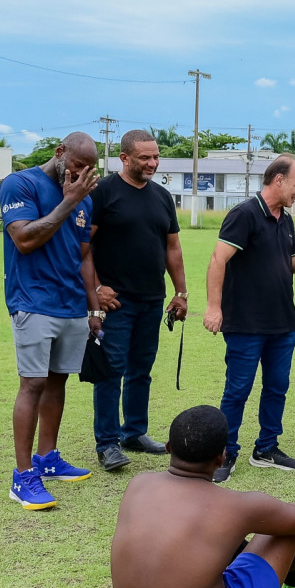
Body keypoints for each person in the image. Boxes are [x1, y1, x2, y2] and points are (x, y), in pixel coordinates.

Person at [111, 405, 295, 588]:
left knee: (211, 537)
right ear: (221, 457)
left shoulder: (138, 484)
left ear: (169, 447)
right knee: (286, 525)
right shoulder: (236, 506)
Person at [0, 131, 102, 510]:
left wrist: (94, 309)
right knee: (34, 383)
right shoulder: (20, 183)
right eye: (76, 167)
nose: (80, 176)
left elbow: (85, 255)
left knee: (58, 380)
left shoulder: (83, 199)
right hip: (32, 301)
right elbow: (24, 239)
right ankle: (23, 476)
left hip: (72, 305)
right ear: (60, 154)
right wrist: (69, 200)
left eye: (88, 171)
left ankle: (47, 459)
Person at [203, 155, 295, 483]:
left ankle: (266, 447)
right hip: (245, 323)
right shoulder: (244, 214)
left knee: (277, 387)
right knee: (238, 389)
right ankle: (225, 453)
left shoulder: (284, 219)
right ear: (279, 180)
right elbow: (218, 259)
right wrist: (214, 307)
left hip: (282, 322)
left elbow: (285, 261)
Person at [89, 129, 188, 471]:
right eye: (144, 157)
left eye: (155, 156)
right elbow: (82, 246)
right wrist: (97, 288)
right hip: (116, 303)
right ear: (125, 158)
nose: (152, 163)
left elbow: (172, 248)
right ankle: (107, 443)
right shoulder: (102, 192)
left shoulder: (161, 197)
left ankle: (134, 432)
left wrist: (180, 293)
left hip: (151, 299)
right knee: (110, 371)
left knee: (140, 371)